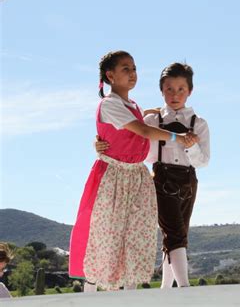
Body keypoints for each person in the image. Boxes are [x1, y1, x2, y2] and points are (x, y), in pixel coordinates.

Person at [69, 51, 194, 291]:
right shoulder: (109, 104)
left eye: (134, 68)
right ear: (110, 75)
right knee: (106, 235)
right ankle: (90, 293)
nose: (132, 73)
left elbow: (135, 123)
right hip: (114, 176)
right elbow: (143, 131)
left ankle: (130, 296)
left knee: (136, 235)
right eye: (126, 69)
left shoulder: (132, 106)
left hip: (136, 175)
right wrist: (178, 137)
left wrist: (156, 112)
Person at [97, 62, 209, 288]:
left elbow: (203, 161)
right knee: (174, 233)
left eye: (180, 89)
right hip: (162, 178)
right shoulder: (151, 121)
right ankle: (185, 288)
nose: (174, 94)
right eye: (169, 89)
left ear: (190, 91)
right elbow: (142, 153)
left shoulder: (200, 124)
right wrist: (101, 144)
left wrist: (189, 144)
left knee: (178, 233)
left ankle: (166, 289)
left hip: (189, 180)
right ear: (161, 90)